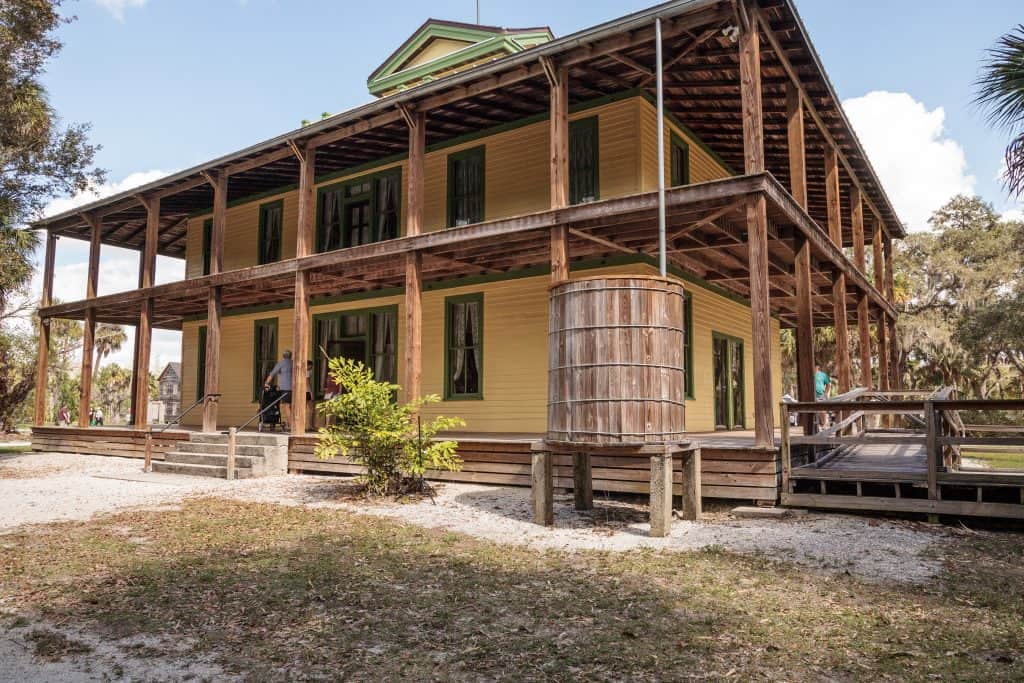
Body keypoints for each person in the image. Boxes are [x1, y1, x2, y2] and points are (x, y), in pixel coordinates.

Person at [264, 350, 293, 429]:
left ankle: (291, 426)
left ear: (283, 356)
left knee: (286, 406)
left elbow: (272, 374)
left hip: (285, 388)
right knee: (292, 407)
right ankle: (290, 424)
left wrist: (266, 383)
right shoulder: (293, 363)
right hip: (295, 388)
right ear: (291, 356)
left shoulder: (281, 363)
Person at [814, 362, 832, 429]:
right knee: (813, 410)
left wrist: (826, 393)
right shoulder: (809, 374)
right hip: (811, 395)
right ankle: (816, 425)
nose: (814, 367)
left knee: (822, 410)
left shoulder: (823, 375)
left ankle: (824, 424)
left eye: (815, 366)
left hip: (821, 394)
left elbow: (828, 384)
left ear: (818, 366)